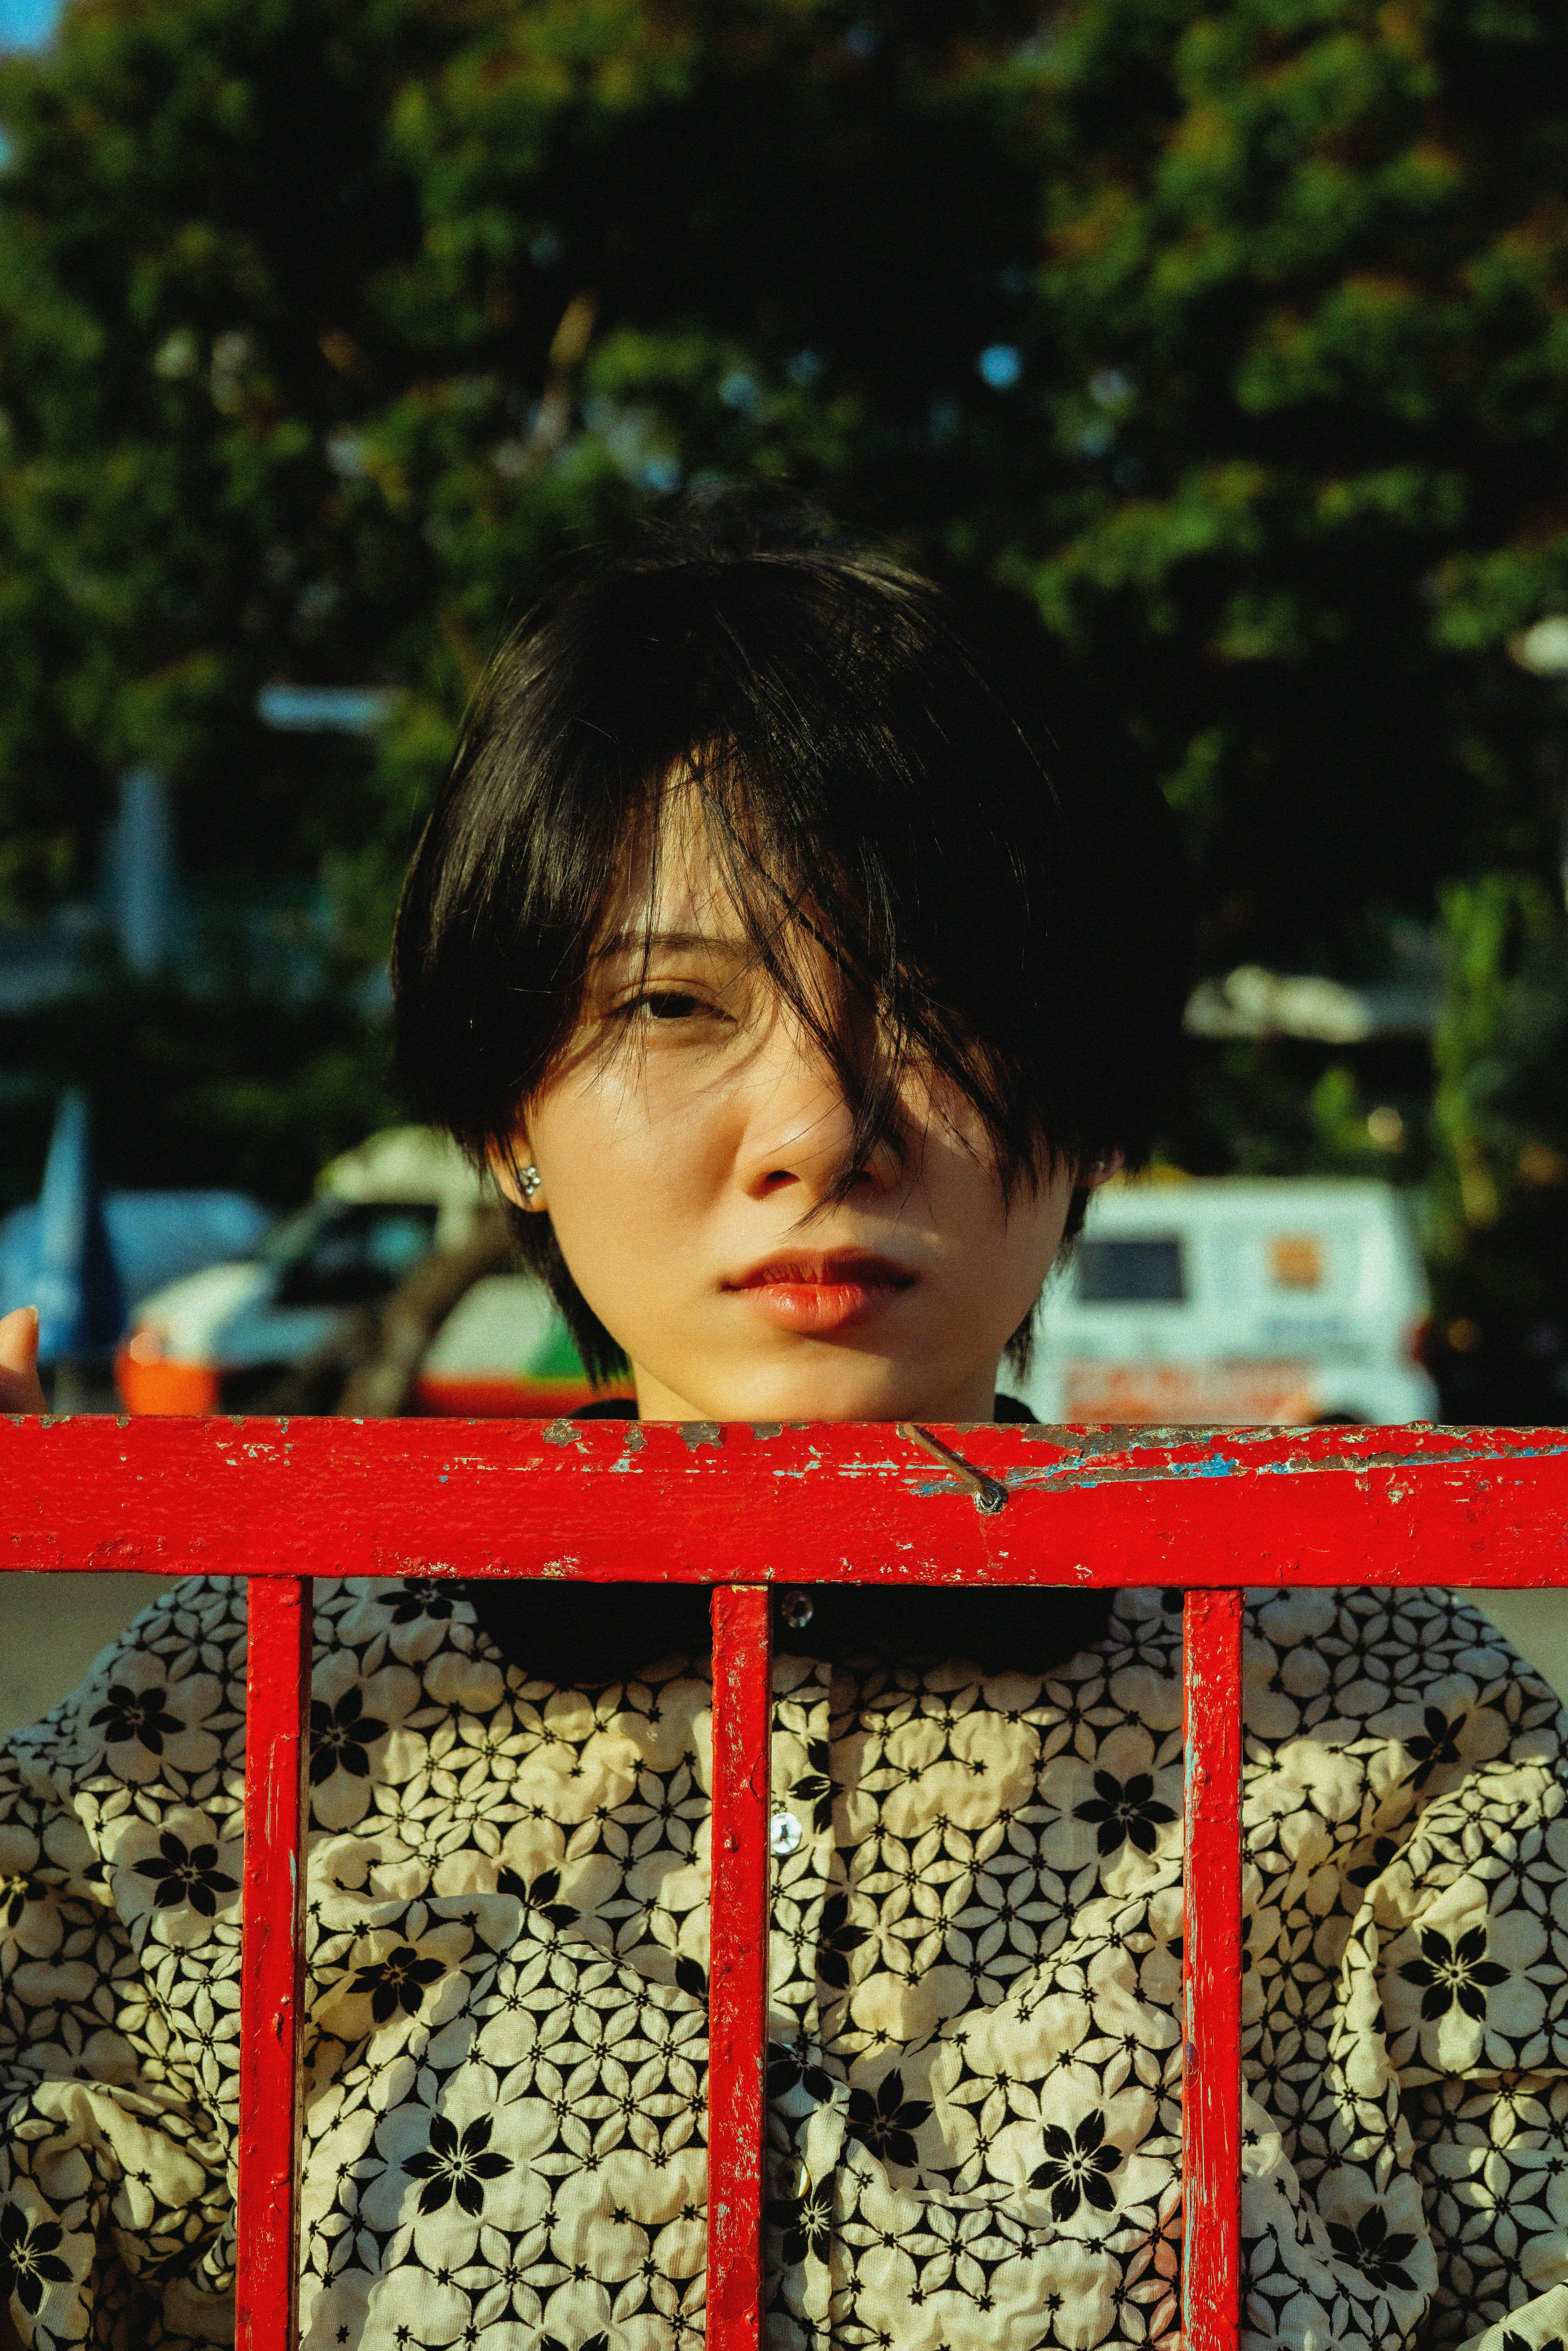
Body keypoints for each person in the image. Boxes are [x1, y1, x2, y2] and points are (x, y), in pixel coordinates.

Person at [1, 500, 1565, 2351]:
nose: (819, 1130)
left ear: (1094, 1097)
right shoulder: (228, 1731)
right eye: (673, 1004)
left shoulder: (1400, 1739)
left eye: (939, 997)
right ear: (507, 1106)